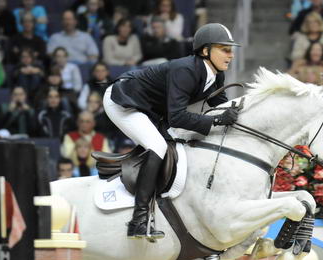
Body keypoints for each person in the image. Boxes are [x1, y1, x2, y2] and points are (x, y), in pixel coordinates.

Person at [102, 23, 240, 239]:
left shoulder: (216, 75)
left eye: (231, 50)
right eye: (224, 49)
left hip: (151, 109)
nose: (230, 55)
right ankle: (138, 220)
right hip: (124, 102)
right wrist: (215, 122)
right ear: (205, 51)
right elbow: (177, 117)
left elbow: (222, 108)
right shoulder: (185, 70)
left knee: (175, 144)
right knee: (157, 146)